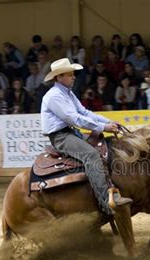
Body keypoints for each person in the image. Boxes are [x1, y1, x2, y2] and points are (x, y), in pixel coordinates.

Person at [41, 58, 132, 215]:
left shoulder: (67, 93)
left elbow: (84, 112)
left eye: (73, 74)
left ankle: (109, 188)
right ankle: (106, 203)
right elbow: (74, 119)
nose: (74, 77)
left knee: (105, 146)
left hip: (69, 132)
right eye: (70, 74)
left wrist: (108, 121)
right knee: (92, 156)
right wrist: (104, 127)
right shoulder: (54, 96)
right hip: (61, 137)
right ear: (59, 77)